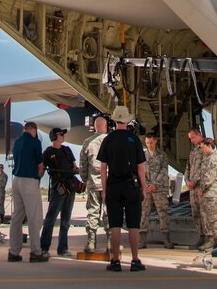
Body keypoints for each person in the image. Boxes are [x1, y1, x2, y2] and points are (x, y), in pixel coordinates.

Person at [97, 105, 147, 273]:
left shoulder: (108, 139)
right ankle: (135, 260)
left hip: (113, 186)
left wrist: (104, 191)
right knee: (133, 225)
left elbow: (103, 168)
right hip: (132, 186)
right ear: (127, 120)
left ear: (115, 120)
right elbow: (141, 168)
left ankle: (116, 261)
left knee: (115, 225)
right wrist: (144, 188)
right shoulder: (134, 140)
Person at [8, 121, 48, 263]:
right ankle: (35, 252)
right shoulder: (35, 142)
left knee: (17, 216)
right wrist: (39, 175)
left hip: (16, 180)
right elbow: (40, 165)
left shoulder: (16, 142)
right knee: (34, 217)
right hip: (29, 181)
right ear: (35, 130)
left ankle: (13, 251)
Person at [40, 128, 79, 257]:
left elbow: (74, 166)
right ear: (54, 137)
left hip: (70, 188)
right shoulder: (47, 152)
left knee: (66, 220)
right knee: (50, 218)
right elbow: (41, 169)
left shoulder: (67, 150)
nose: (63, 136)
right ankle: (44, 248)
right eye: (61, 134)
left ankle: (63, 249)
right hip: (58, 189)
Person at [79, 115, 110, 253]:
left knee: (93, 213)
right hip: (109, 184)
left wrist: (86, 180)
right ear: (106, 127)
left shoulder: (88, 142)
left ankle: (91, 242)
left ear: (95, 127)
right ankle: (110, 242)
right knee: (109, 213)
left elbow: (83, 165)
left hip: (93, 183)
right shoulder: (111, 140)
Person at [139, 132, 173, 250]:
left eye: (151, 142)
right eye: (147, 143)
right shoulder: (142, 156)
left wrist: (155, 185)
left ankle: (167, 239)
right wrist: (148, 186)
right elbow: (141, 172)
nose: (149, 145)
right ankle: (142, 240)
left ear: (156, 141)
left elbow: (164, 171)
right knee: (144, 214)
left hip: (159, 189)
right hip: (147, 190)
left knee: (163, 213)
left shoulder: (162, 155)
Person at [196, 137, 217, 251]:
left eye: (203, 147)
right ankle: (212, 241)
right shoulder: (207, 158)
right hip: (207, 194)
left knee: (216, 218)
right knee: (208, 218)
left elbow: (209, 177)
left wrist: (201, 189)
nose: (202, 150)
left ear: (209, 146)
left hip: (212, 193)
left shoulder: (213, 159)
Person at [184, 126, 207, 248]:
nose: (191, 140)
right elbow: (188, 167)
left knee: (205, 213)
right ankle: (201, 237)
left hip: (201, 188)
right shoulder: (193, 152)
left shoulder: (206, 147)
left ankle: (209, 238)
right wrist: (187, 180)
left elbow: (205, 167)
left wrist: (194, 181)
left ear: (199, 135)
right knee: (196, 214)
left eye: (193, 137)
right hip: (193, 189)